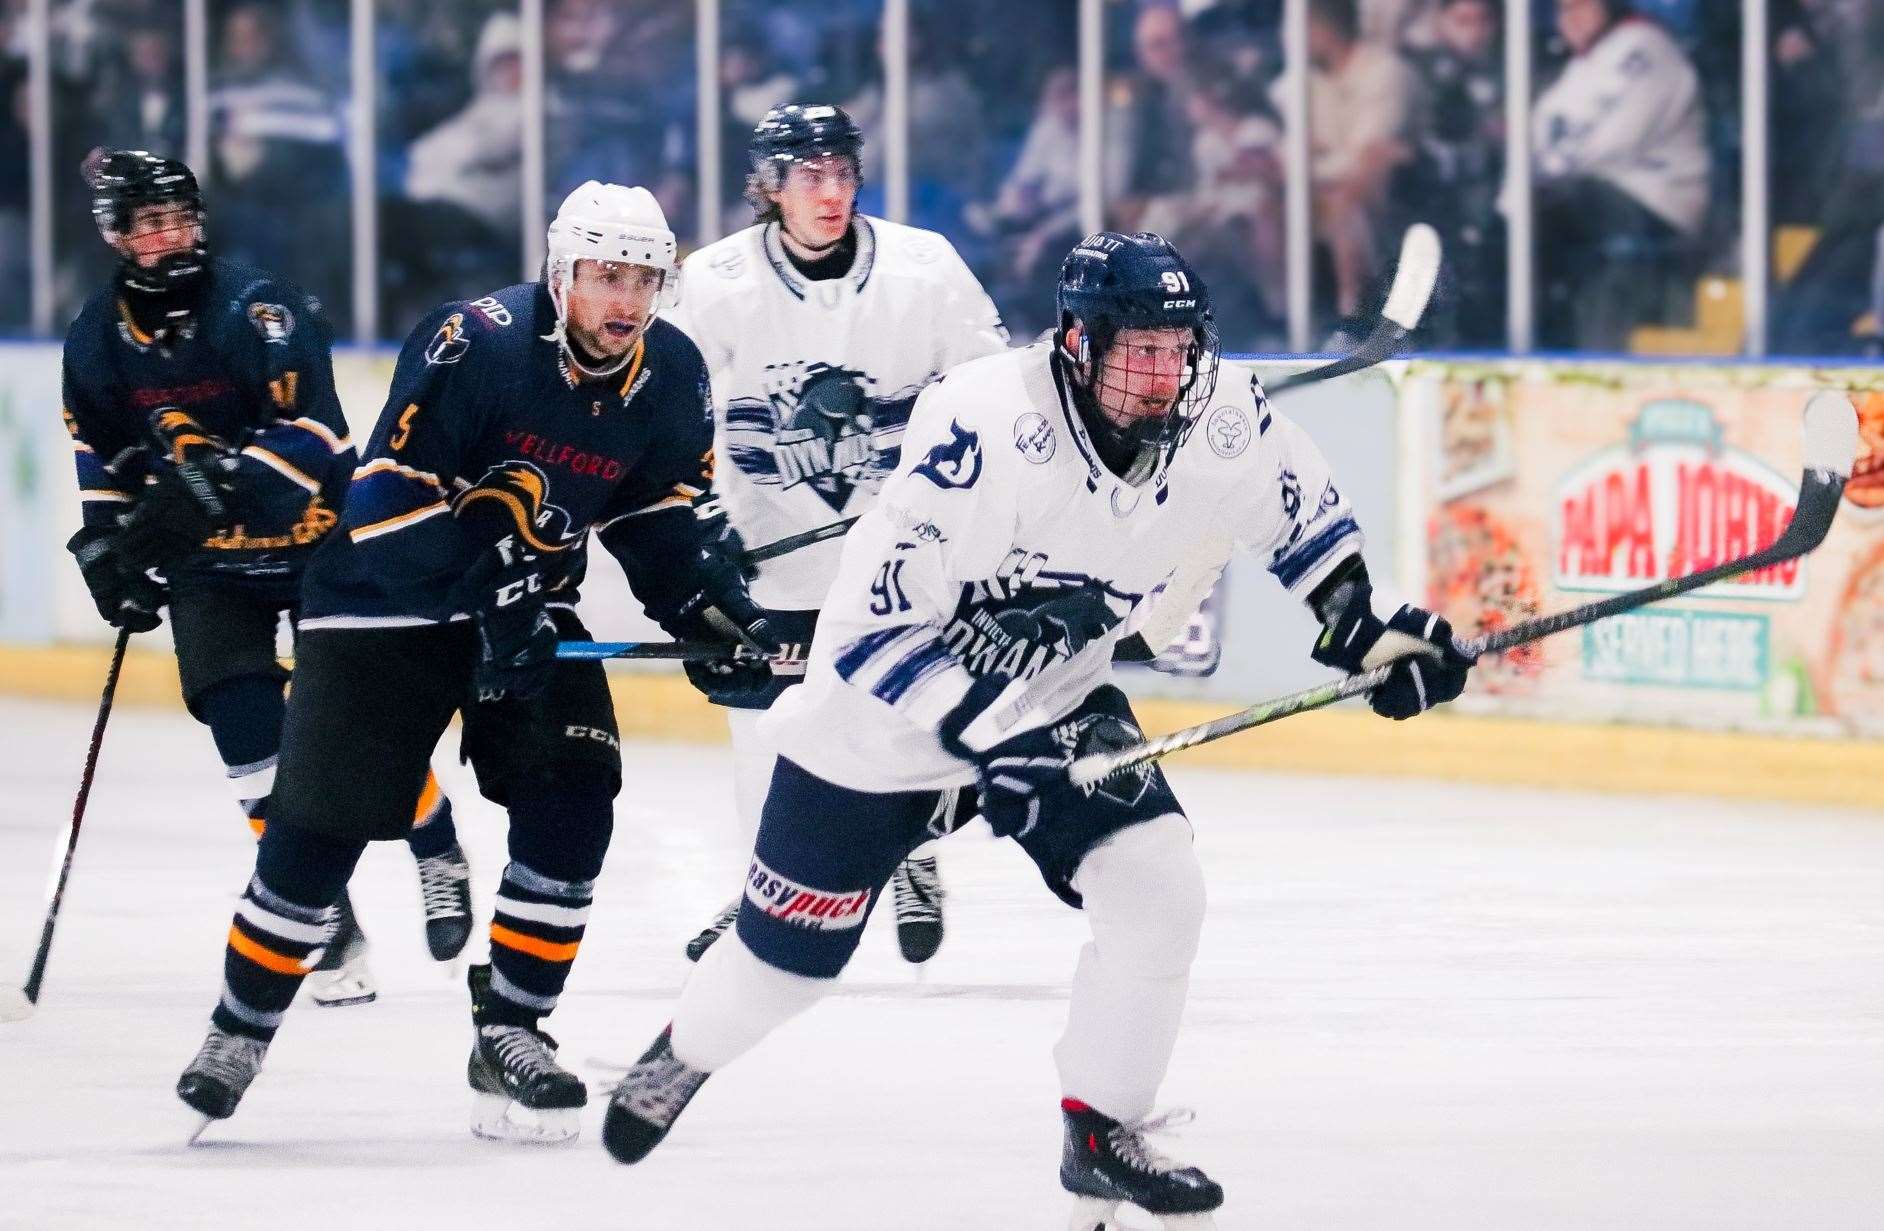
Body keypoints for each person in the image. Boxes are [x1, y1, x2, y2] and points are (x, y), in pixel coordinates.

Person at [598, 232, 1474, 1226]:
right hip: (880, 720)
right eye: (1138, 348)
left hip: (1055, 697)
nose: (1164, 373)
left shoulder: (1220, 416)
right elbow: (879, 632)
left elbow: (1303, 527)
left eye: (1179, 346)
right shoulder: (983, 426)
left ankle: (1099, 1135)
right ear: (1074, 339)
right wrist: (996, 741)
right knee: (779, 971)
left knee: (1158, 890)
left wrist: (1368, 630)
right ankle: (684, 1054)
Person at [171, 179, 775, 1146]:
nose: (625, 300)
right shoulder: (477, 340)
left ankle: (512, 1028)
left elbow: (658, 519)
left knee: (573, 801)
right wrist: (484, 584)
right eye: (605, 274)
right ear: (561, 271)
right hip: (382, 599)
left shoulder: (673, 371)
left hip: (527, 606)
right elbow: (384, 498)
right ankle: (238, 1029)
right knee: (319, 832)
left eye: (644, 279)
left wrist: (710, 612)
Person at [59, 149, 471, 1008]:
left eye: (178, 217)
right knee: (252, 754)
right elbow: (104, 458)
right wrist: (111, 552)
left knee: (349, 736)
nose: (168, 236)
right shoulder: (94, 340)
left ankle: (433, 839)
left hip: (318, 542)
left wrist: (216, 484)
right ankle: (325, 917)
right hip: (211, 571)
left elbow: (319, 437)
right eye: (147, 224)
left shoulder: (259, 309)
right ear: (115, 236)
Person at [666, 103, 1009, 967]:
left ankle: (914, 856)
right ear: (770, 186)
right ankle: (760, 889)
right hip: (768, 557)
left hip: (900, 552)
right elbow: (669, 411)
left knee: (904, 705)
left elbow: (988, 389)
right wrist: (697, 520)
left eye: (842, 172)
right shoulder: (712, 282)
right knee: (763, 728)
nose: (830, 191)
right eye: (809, 175)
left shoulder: (926, 269)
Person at [1529, 0, 1708, 350]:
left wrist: (1534, 184)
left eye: (1582, 7)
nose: (1571, 19)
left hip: (1654, 202)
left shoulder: (1643, 47)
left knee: (1538, 216)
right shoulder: (1581, 63)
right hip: (1598, 194)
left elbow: (1610, 142)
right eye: (1564, 11)